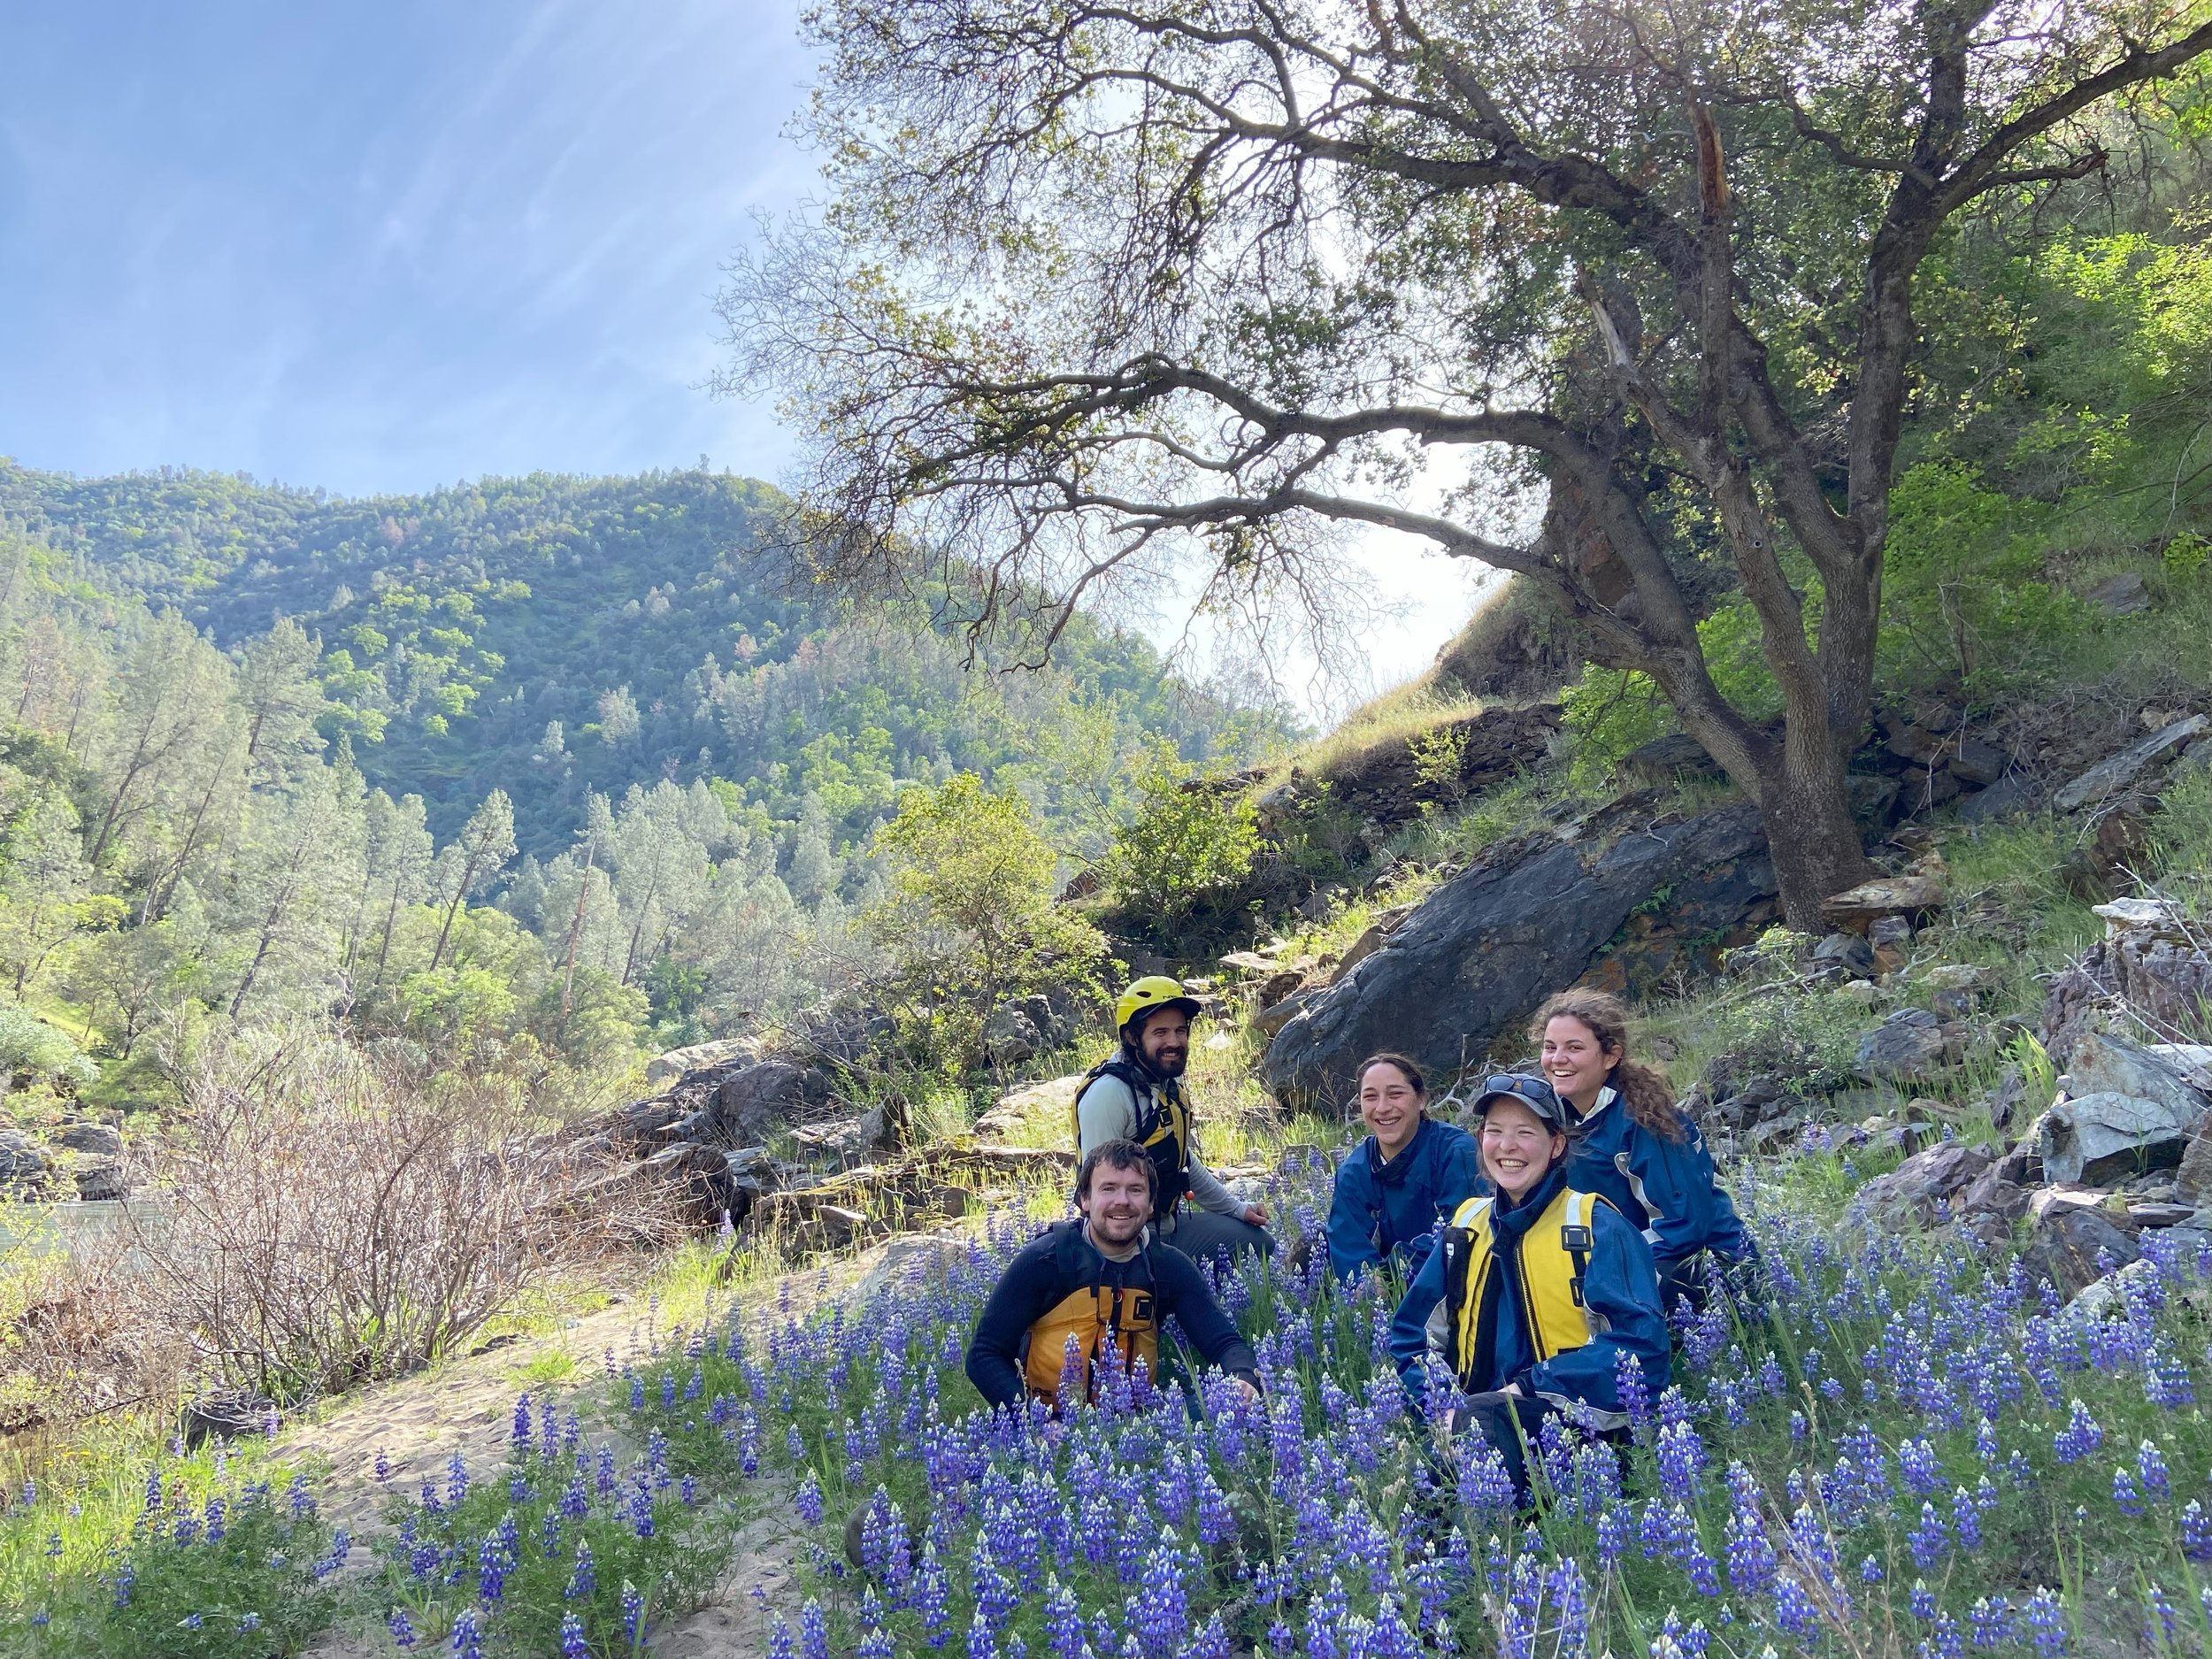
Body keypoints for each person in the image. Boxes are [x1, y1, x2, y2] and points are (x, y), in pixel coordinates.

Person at [1387, 1073, 1670, 1498]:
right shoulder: (1467, 1225)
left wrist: (1531, 1385)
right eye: (1495, 1132)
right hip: (1469, 1419)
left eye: (1525, 1133)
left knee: (1481, 1426)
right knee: (1425, 1477)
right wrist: (1442, 1402)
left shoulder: (1596, 1225)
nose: (1507, 1146)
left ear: (1556, 1144)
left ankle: (1493, 1523)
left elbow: (1641, 1349)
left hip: (1578, 1428)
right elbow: (1412, 1333)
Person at [965, 1139, 1263, 1412]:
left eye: (1135, 1190)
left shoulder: (1167, 1266)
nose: (1122, 1201)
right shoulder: (1046, 1259)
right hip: (1049, 1426)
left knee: (1232, 1408)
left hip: (1140, 1425)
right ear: (1085, 1199)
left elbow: (1225, 1343)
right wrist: (1033, 1419)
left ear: (1151, 1204)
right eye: (1108, 1188)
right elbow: (983, 1354)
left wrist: (1243, 1379)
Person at [1532, 987, 1759, 1314]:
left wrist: (1603, 1273)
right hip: (1624, 1256)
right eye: (1550, 1047)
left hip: (1703, 1266)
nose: (1558, 1059)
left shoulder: (1645, 1121)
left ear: (1611, 1056)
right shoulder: (1557, 1118)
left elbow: (1683, 1226)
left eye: (1574, 1047)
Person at [1073, 976, 1273, 1267]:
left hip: (1166, 1227)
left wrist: (1237, 1209)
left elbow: (1182, 1161)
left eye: (1180, 1031)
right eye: (1160, 1032)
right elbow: (1100, 1193)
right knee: (1175, 1281)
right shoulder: (1109, 1095)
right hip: (1122, 1243)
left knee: (1259, 1243)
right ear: (1132, 1037)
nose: (1174, 1042)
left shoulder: (1166, 1083)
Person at [1325, 1052, 1481, 1284]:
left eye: (1395, 1094)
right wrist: (1365, 1284)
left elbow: (1462, 1235)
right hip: (1384, 1295)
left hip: (1455, 1286)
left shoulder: (1457, 1152)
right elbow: (1348, 1247)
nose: (1382, 1108)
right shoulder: (1354, 1171)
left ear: (1421, 1100)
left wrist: (1389, 1276)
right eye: (1370, 1097)